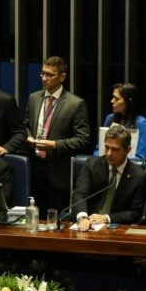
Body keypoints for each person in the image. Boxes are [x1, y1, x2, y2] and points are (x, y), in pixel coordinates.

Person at [23, 56, 91, 211]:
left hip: (58, 172)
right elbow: (25, 125)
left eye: (49, 75)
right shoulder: (34, 98)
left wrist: (54, 145)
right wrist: (27, 136)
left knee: (57, 220)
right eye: (42, 73)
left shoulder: (75, 104)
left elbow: (83, 139)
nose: (44, 78)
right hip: (34, 167)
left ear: (62, 77)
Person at [73, 125, 146, 231]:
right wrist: (83, 217)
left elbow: (135, 213)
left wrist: (107, 218)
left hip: (116, 228)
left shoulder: (139, 176)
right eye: (107, 147)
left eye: (115, 149)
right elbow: (80, 194)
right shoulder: (91, 165)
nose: (109, 153)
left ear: (128, 150)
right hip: (87, 224)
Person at [93, 83, 146, 161]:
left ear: (128, 101)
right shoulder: (110, 118)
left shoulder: (141, 123)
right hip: (106, 165)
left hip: (129, 168)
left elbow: (140, 157)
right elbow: (99, 149)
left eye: (116, 98)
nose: (112, 101)